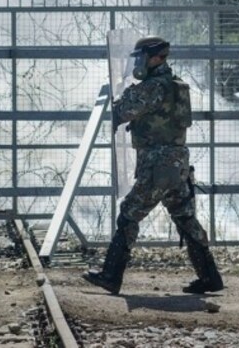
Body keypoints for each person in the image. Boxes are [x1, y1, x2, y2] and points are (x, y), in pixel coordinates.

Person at [82, 36, 224, 295]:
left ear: (155, 58)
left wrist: (123, 95)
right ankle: (210, 278)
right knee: (185, 217)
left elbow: (122, 112)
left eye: (141, 58)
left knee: (129, 214)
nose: (138, 63)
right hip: (177, 165)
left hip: (158, 167)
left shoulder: (153, 87)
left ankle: (111, 276)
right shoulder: (177, 86)